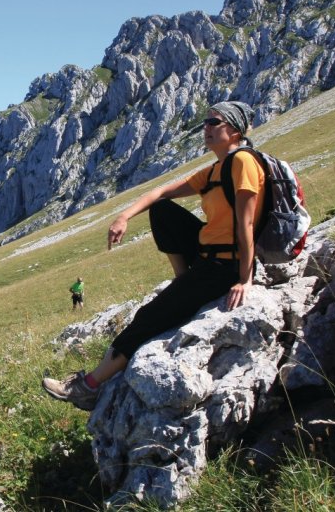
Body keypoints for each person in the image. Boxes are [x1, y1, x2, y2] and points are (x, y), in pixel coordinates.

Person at [42, 101, 265, 410]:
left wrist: (245, 278)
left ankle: (88, 387)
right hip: (209, 253)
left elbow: (247, 222)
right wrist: (123, 217)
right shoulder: (217, 169)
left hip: (225, 265)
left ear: (235, 131)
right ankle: (183, 279)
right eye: (206, 121)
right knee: (161, 209)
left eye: (215, 122)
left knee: (149, 318)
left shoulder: (243, 162)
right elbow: (159, 194)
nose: (207, 128)